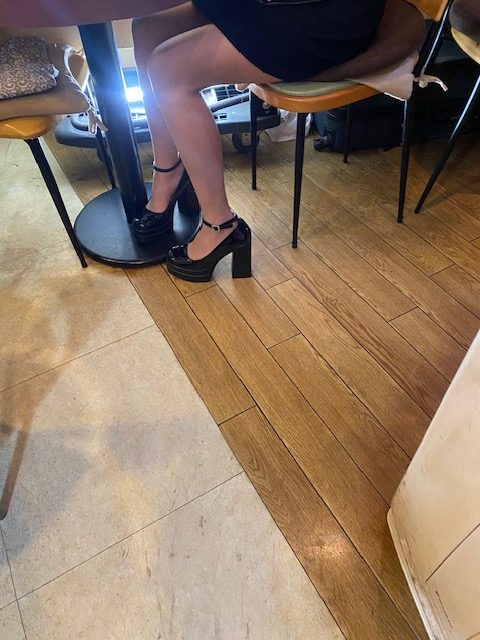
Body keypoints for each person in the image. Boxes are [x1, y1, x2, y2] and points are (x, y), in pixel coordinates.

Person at [131, 0, 387, 282]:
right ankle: (169, 172)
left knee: (167, 70)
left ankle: (220, 225)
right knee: (147, 30)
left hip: (322, 17)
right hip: (275, 7)